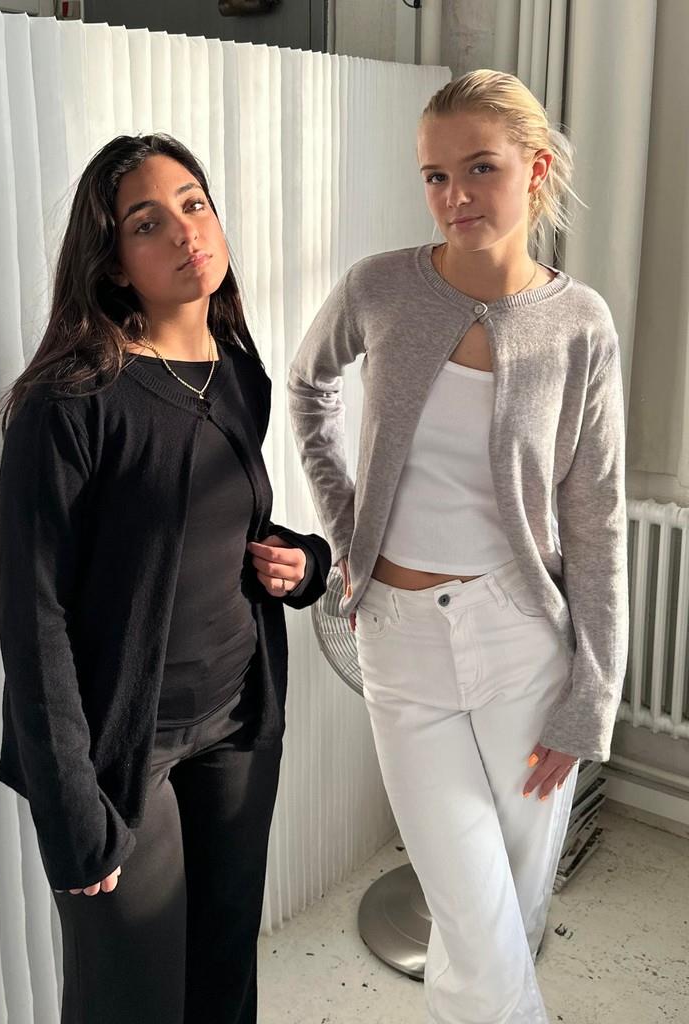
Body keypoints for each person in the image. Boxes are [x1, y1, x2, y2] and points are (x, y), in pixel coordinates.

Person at [288, 69, 628, 1023]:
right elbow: (308, 387)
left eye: (481, 168)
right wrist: (346, 524)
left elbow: (596, 518)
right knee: (473, 915)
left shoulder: (580, 324)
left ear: (536, 170)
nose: (454, 196)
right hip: (399, 642)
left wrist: (593, 694)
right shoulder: (380, 287)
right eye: (435, 176)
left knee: (513, 905)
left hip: (522, 638)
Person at [0, 132, 330, 1024]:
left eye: (194, 203)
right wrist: (72, 815)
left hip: (236, 725)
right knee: (130, 1001)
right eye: (148, 222)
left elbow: (223, 526)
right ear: (112, 262)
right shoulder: (68, 401)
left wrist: (305, 562)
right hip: (120, 751)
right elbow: (33, 617)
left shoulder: (238, 370)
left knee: (224, 979)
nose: (185, 231)